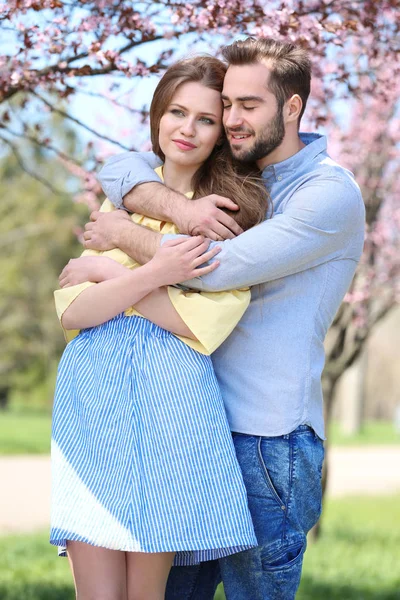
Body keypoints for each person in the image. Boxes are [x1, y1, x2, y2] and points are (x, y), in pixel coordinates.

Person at [90, 37, 366, 599]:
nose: (233, 120)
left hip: (268, 441)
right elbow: (121, 167)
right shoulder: (238, 174)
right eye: (228, 106)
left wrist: (121, 236)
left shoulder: (327, 194)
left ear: (292, 108)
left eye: (249, 105)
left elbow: (214, 269)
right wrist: (180, 208)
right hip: (195, 429)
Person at [50, 56, 270, 600]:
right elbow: (74, 310)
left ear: (221, 132)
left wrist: (113, 275)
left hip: (170, 414)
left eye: (204, 119)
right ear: (157, 116)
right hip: (92, 403)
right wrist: (154, 273)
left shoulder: (228, 217)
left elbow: (195, 323)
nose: (186, 129)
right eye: (176, 112)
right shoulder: (120, 202)